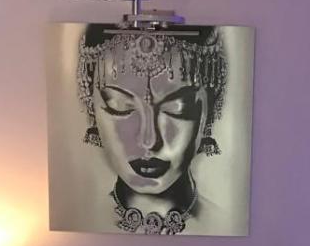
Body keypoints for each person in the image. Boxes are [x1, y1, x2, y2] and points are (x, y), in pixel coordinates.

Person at [75, 25, 229, 235]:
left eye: (177, 108)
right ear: (91, 108)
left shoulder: (222, 223)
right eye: (120, 106)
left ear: (208, 111)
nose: (149, 140)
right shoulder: (81, 222)